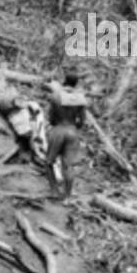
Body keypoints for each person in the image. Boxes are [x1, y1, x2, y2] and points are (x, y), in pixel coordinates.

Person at [44, 67, 88, 199]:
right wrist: (75, 126)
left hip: (58, 130)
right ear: (76, 83)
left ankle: (54, 191)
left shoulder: (55, 96)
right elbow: (82, 121)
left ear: (65, 81)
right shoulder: (80, 98)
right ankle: (67, 196)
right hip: (72, 131)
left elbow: (50, 118)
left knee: (49, 162)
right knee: (68, 166)